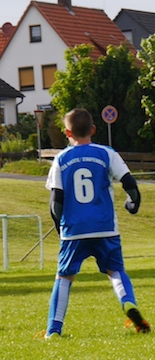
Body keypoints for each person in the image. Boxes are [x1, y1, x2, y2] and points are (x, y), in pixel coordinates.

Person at [44, 107, 150, 338]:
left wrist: (59, 227)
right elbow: (130, 183)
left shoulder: (61, 159)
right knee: (115, 270)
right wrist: (133, 204)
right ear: (93, 129)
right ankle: (128, 302)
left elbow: (56, 200)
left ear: (67, 133)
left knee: (64, 277)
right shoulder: (106, 154)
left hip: (74, 230)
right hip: (104, 227)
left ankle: (53, 330)